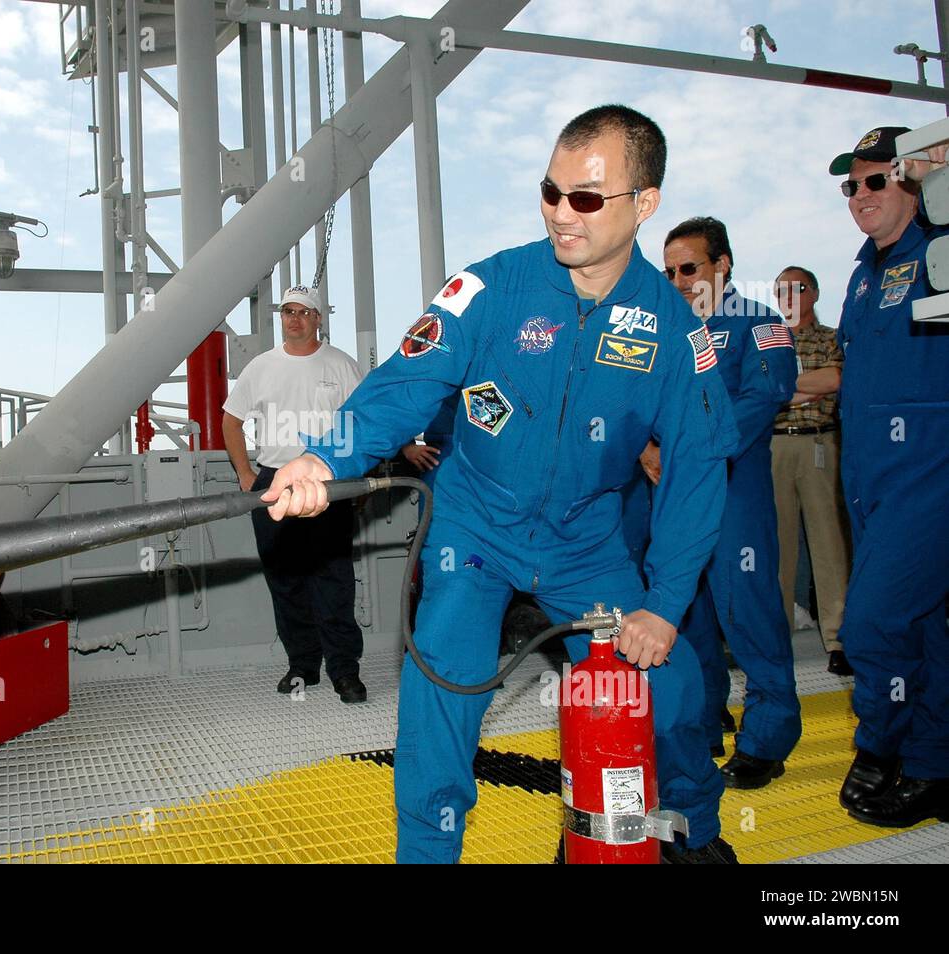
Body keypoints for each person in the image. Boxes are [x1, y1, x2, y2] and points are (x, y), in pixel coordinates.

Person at [261, 104, 741, 863]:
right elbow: (406, 383)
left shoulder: (675, 331)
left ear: (644, 204)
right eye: (550, 192)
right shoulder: (489, 288)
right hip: (475, 530)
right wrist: (327, 458)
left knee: (672, 691)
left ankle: (693, 832)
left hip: (587, 545)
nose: (560, 214)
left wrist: (664, 604)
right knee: (440, 698)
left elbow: (697, 471)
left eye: (585, 198)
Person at [223, 286, 430, 704]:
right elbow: (231, 420)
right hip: (274, 484)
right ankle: (302, 666)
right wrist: (246, 472)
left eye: (304, 311)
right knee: (285, 581)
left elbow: (375, 413)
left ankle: (344, 671)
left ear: (319, 319)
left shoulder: (340, 365)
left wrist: (407, 448)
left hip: (329, 485)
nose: (294, 318)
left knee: (333, 580)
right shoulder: (260, 368)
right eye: (288, 310)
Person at [652, 217, 801, 790]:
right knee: (685, 618)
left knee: (749, 613)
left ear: (723, 265)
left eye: (689, 267)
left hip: (735, 492)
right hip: (675, 498)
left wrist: (686, 448)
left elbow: (765, 395)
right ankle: (699, 724)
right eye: (669, 272)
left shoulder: (758, 323)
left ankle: (768, 737)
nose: (679, 280)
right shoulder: (667, 335)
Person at [829, 126, 949, 827]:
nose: (861, 195)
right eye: (853, 185)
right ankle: (934, 764)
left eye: (878, 180)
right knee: (927, 627)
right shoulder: (862, 273)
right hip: (866, 473)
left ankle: (880, 745)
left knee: (872, 624)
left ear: (915, 182)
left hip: (928, 470)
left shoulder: (938, 254)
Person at [769, 266, 852, 676]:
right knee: (777, 546)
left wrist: (791, 386)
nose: (788, 295)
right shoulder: (768, 338)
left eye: (796, 287)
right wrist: (803, 386)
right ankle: (776, 638)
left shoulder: (832, 338)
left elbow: (837, 378)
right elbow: (766, 388)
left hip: (821, 441)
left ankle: (838, 640)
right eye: (780, 289)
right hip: (775, 445)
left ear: (815, 292)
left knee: (830, 544)